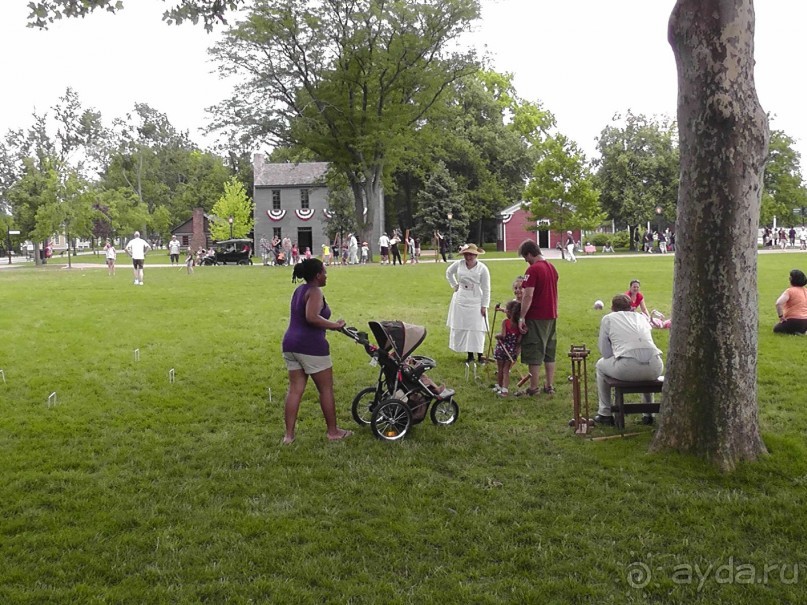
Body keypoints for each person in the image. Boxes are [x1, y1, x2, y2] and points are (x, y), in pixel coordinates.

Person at [281, 258, 353, 444]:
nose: (327, 275)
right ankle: (333, 432)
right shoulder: (315, 292)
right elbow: (311, 318)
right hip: (310, 346)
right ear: (317, 275)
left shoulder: (299, 290)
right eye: (325, 272)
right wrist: (335, 325)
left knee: (295, 390)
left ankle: (289, 436)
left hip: (290, 344)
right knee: (326, 389)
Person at [594, 294, 664, 426]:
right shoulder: (641, 318)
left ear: (612, 308)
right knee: (645, 364)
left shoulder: (608, 319)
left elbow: (605, 352)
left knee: (600, 365)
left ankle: (605, 413)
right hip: (656, 365)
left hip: (627, 367)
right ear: (631, 307)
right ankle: (648, 414)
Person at [516, 239, 559, 396]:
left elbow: (528, 295)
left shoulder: (533, 270)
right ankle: (549, 385)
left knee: (534, 350)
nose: (526, 261)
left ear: (529, 253)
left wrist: (522, 317)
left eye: (525, 257)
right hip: (551, 314)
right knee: (549, 351)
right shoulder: (552, 268)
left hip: (537, 316)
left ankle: (533, 388)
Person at [446, 243, 490, 364]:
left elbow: (486, 288)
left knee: (476, 327)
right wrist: (455, 285)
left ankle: (480, 354)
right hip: (461, 297)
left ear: (476, 255)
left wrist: (484, 305)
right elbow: (449, 272)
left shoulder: (482, 268)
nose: (468, 257)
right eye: (466, 254)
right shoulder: (459, 264)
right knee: (464, 326)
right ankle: (469, 354)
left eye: (471, 255)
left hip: (476, 298)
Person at [493, 300, 522, 397]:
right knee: (506, 370)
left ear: (509, 312)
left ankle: (500, 386)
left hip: (502, 349)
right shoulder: (520, 325)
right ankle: (504, 389)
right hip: (511, 351)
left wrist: (498, 336)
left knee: (500, 369)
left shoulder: (505, 322)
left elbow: (503, 335)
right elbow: (519, 341)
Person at [773, 269, 807, 334]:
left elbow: (778, 303)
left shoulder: (790, 291)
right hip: (805, 321)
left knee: (777, 329)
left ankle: (794, 332)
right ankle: (801, 331)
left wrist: (781, 316)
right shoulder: (806, 290)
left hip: (794, 320)